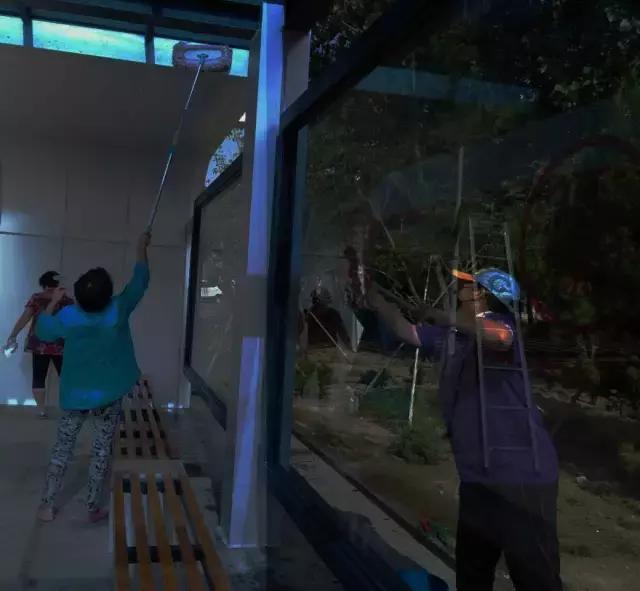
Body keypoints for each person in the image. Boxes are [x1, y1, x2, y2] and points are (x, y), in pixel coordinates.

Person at [366, 268, 562, 591]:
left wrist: (444, 317)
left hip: (521, 478)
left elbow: (498, 337)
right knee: (472, 574)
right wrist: (376, 299)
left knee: (534, 578)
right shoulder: (452, 336)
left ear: (484, 297)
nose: (459, 288)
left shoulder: (503, 326)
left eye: (468, 285)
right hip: (477, 477)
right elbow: (407, 331)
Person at [35, 232, 151, 523]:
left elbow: (43, 330)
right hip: (109, 395)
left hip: (75, 395)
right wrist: (141, 247)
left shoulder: (69, 316)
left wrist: (54, 302)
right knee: (101, 451)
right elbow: (140, 281)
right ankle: (92, 507)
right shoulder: (118, 310)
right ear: (107, 295)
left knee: (63, 447)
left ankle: (47, 505)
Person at [6, 271, 74, 417]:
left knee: (47, 376)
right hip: (54, 344)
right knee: (58, 376)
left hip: (47, 344)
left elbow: (25, 317)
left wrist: (13, 335)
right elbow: (25, 317)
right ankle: (57, 409)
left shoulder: (42, 299)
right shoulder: (64, 301)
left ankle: (46, 409)